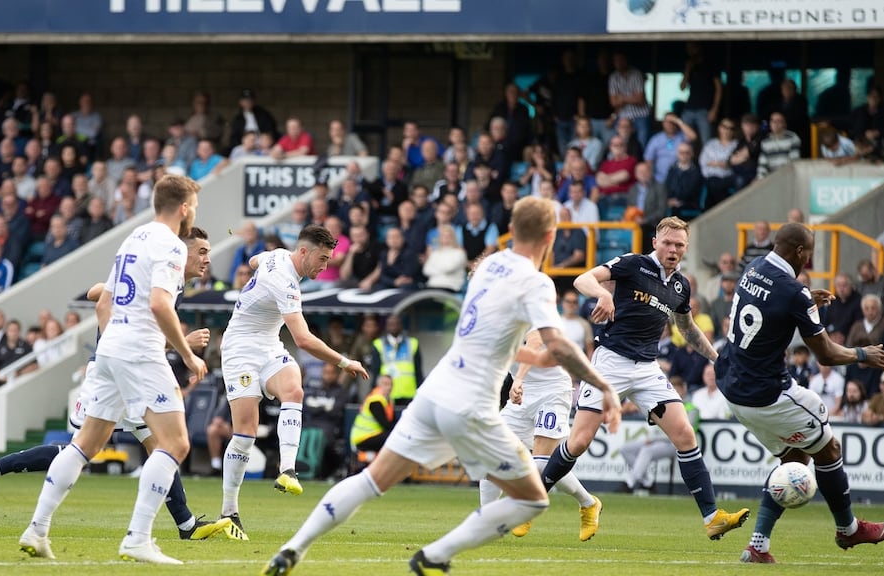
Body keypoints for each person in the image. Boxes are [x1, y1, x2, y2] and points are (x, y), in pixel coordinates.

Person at [261, 196, 621, 576]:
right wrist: (603, 387)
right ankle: (434, 556)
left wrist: (533, 360)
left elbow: (488, 339)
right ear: (550, 236)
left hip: (434, 391)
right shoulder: (537, 282)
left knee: (371, 480)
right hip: (471, 404)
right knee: (532, 499)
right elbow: (559, 342)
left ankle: (292, 548)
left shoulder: (487, 267)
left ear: (511, 230)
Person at [0, 228, 242, 536]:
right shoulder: (163, 274)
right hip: (116, 370)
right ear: (182, 251)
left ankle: (185, 525)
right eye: (202, 251)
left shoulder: (167, 279)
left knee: (160, 446)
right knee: (83, 450)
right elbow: (114, 309)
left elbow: (104, 299)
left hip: (128, 369)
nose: (207, 259)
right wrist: (184, 345)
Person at [17, 175, 208, 564]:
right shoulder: (171, 244)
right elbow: (158, 304)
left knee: (84, 445)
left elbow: (105, 296)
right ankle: (137, 538)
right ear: (185, 207)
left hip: (110, 349)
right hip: (140, 349)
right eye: (195, 206)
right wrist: (187, 354)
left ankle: (36, 529)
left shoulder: (134, 236)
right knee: (175, 444)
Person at [541, 216, 750, 540]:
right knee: (579, 441)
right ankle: (531, 500)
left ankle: (713, 517)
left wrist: (716, 358)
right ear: (655, 241)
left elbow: (687, 328)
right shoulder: (632, 265)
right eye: (667, 242)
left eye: (679, 245)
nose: (673, 249)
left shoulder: (680, 285)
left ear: (685, 248)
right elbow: (583, 279)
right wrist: (604, 295)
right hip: (610, 362)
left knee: (684, 434)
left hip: (647, 368)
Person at [714, 222, 884, 564]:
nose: (808, 262)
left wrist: (804, 303)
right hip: (766, 392)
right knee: (828, 447)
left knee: (795, 458)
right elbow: (826, 353)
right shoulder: (792, 290)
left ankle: (758, 546)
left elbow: (767, 307)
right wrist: (862, 354)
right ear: (799, 252)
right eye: (808, 254)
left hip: (733, 386)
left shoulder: (753, 268)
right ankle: (848, 528)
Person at [217, 225, 368, 535]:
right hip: (240, 349)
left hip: (269, 344)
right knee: (245, 434)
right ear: (303, 252)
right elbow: (303, 339)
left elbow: (254, 261)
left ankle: (287, 469)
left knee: (294, 389)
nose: (325, 267)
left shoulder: (278, 255)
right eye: (322, 259)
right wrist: (343, 361)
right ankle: (228, 511)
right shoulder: (286, 280)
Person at [479, 328, 603, 540]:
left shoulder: (531, 306)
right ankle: (488, 524)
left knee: (542, 462)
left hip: (551, 391)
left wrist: (517, 380)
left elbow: (534, 344)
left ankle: (526, 508)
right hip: (520, 394)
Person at [619, 378, 698, 494]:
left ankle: (629, 484)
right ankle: (648, 483)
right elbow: (656, 427)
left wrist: (653, 439)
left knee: (647, 450)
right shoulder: (666, 406)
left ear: (683, 390)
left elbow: (682, 435)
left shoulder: (692, 409)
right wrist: (652, 438)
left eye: (678, 389)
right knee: (625, 449)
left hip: (676, 445)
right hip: (658, 441)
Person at [369, 315, 422, 407]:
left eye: (396, 323)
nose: (394, 326)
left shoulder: (413, 343)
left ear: (401, 325)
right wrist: (375, 391)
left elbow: (418, 371)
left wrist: (420, 391)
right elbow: (375, 372)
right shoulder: (378, 344)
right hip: (387, 394)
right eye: (390, 324)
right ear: (386, 326)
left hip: (409, 394)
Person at [349, 374, 395, 453]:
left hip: (372, 435)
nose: (389, 387)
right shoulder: (375, 401)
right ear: (379, 385)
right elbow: (386, 424)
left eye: (391, 384)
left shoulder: (387, 400)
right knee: (393, 437)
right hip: (362, 438)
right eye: (385, 384)